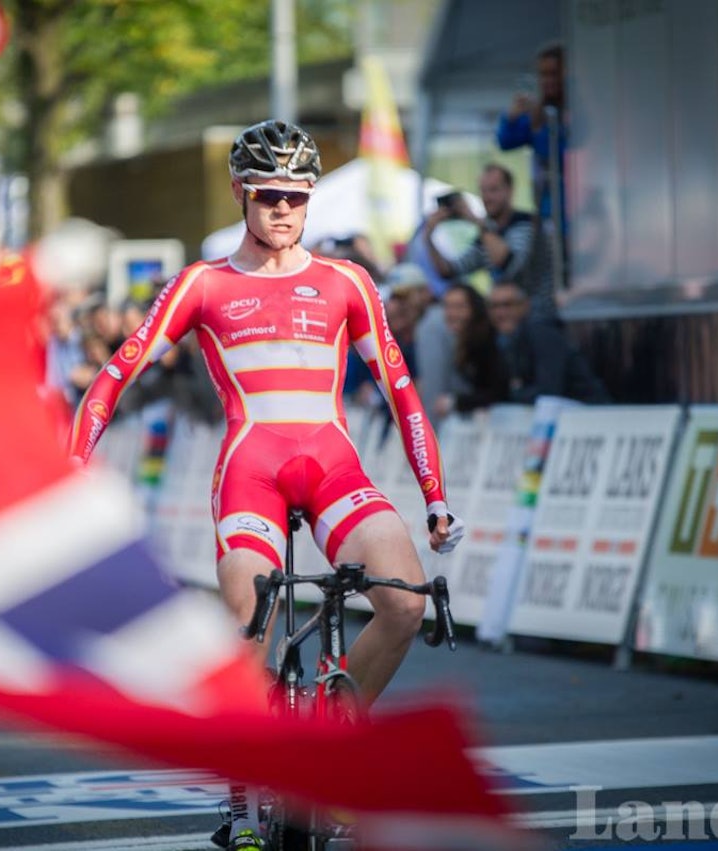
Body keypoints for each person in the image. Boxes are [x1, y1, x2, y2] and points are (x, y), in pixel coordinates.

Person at [69, 119, 465, 851]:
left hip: (333, 465)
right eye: (269, 194)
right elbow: (116, 374)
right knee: (252, 616)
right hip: (250, 472)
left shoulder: (346, 281)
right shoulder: (203, 283)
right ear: (241, 194)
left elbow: (404, 392)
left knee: (405, 602)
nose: (283, 209)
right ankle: (246, 790)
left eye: (296, 196)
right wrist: (75, 466)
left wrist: (435, 497)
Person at [421, 163, 558, 325]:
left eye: (493, 190)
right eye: (483, 191)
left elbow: (508, 264)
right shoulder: (488, 233)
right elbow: (450, 270)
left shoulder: (526, 224)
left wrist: (475, 221)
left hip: (541, 320)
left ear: (510, 191)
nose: (486, 198)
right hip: (508, 325)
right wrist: (428, 237)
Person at [487, 281, 610, 404]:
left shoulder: (541, 332)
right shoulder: (505, 340)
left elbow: (549, 391)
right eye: (494, 306)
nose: (500, 313)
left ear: (525, 305)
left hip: (587, 414)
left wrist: (508, 394)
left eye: (507, 305)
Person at [497, 42, 568, 245]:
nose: (547, 81)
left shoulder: (572, 114)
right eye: (542, 75)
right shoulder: (538, 113)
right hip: (546, 208)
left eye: (553, 74)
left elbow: (558, 155)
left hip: (574, 210)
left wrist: (541, 128)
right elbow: (505, 141)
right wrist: (511, 117)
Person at [437, 283, 512, 417]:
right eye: (448, 307)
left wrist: (456, 402)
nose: (452, 313)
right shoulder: (464, 341)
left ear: (475, 309)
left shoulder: (487, 341)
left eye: (459, 307)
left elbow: (496, 391)